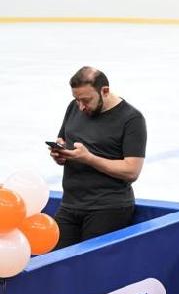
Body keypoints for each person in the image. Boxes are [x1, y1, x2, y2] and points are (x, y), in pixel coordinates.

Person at [50, 67, 146, 249]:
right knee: (54, 259)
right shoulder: (74, 107)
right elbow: (64, 140)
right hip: (70, 203)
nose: (81, 106)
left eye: (86, 100)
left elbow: (131, 170)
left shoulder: (131, 119)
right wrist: (60, 154)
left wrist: (89, 158)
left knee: (91, 262)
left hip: (108, 207)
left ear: (105, 91)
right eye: (77, 99)